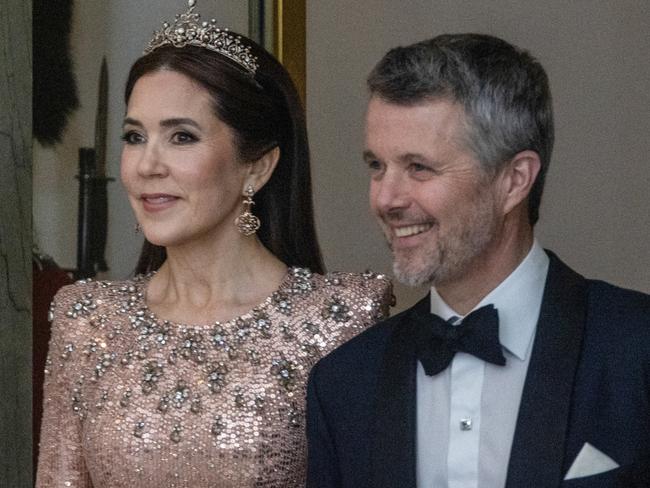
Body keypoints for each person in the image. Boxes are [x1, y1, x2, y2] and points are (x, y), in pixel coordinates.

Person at [36, 2, 391, 487]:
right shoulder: (86, 320)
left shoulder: (339, 320)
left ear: (257, 167)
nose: (147, 165)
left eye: (181, 136)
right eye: (134, 136)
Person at [306, 33, 650, 488]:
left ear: (514, 179)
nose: (385, 198)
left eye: (419, 167)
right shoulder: (345, 382)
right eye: (376, 166)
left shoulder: (636, 349)